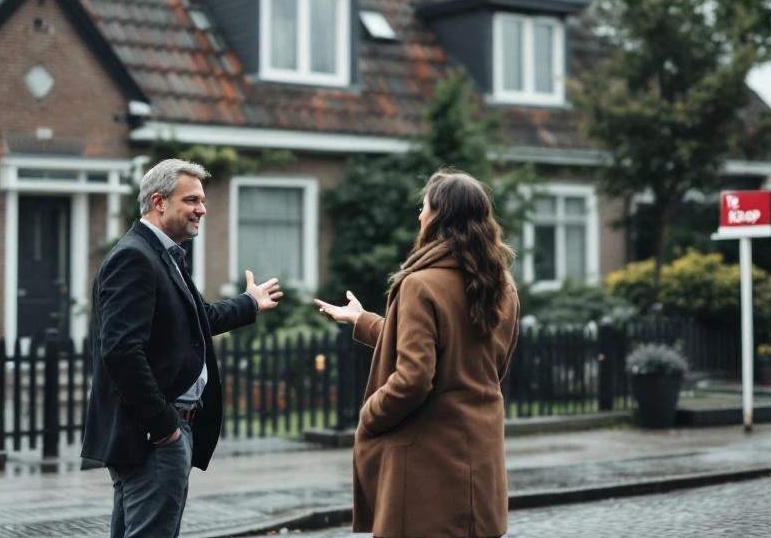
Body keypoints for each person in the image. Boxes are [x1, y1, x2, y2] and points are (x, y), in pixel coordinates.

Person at [81, 158, 283, 538]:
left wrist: (249, 303)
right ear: (159, 202)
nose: (202, 209)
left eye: (202, 200)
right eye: (191, 200)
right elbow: (121, 351)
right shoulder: (134, 258)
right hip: (154, 438)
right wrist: (163, 428)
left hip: (159, 436)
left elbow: (197, 318)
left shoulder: (162, 255)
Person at [314, 168, 520, 538]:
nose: (419, 216)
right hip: (482, 460)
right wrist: (363, 320)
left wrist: (370, 414)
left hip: (427, 468)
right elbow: (477, 359)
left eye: (424, 207)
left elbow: (414, 379)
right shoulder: (501, 285)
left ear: (440, 216)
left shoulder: (420, 284)